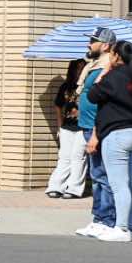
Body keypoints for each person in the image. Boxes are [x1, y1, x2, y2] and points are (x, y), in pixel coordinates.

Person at [84, 40, 132, 241]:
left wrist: (106, 69)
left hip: (116, 134)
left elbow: (93, 95)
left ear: (116, 55)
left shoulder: (113, 76)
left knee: (119, 185)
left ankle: (122, 228)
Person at [75, 32, 119, 237]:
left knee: (102, 175)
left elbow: (103, 103)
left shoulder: (107, 67)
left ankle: (107, 220)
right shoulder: (94, 65)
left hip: (97, 128)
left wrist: (95, 133)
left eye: (93, 41)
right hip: (88, 126)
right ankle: (99, 218)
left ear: (106, 45)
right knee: (96, 174)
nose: (89, 44)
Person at [48, 58, 89, 198]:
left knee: (78, 157)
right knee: (64, 157)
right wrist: (59, 126)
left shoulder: (89, 86)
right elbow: (58, 105)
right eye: (78, 67)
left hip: (83, 127)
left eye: (83, 67)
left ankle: (74, 189)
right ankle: (56, 186)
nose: (80, 70)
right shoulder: (66, 87)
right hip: (66, 126)